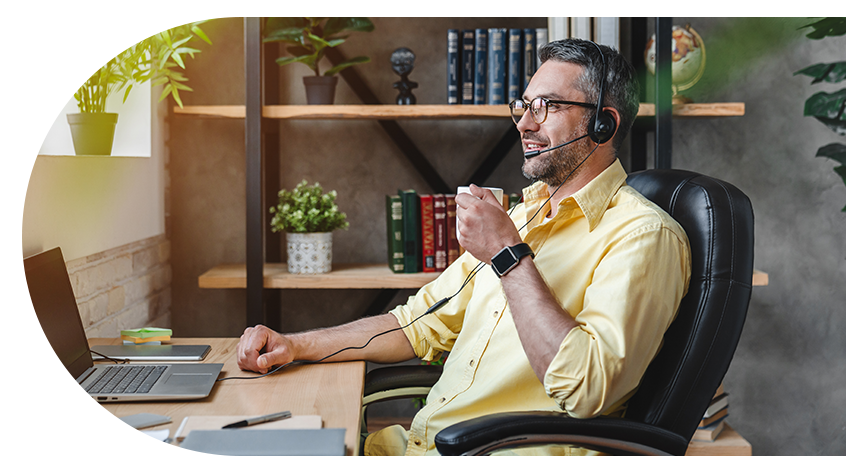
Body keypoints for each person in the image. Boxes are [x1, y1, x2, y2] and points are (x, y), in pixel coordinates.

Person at [236, 39, 691, 456]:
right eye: (524, 105)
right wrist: (295, 345)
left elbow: (588, 389)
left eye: (546, 106)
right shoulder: (521, 217)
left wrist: (508, 256)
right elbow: (417, 324)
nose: (524, 124)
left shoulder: (643, 237)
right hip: (413, 447)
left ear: (602, 123)